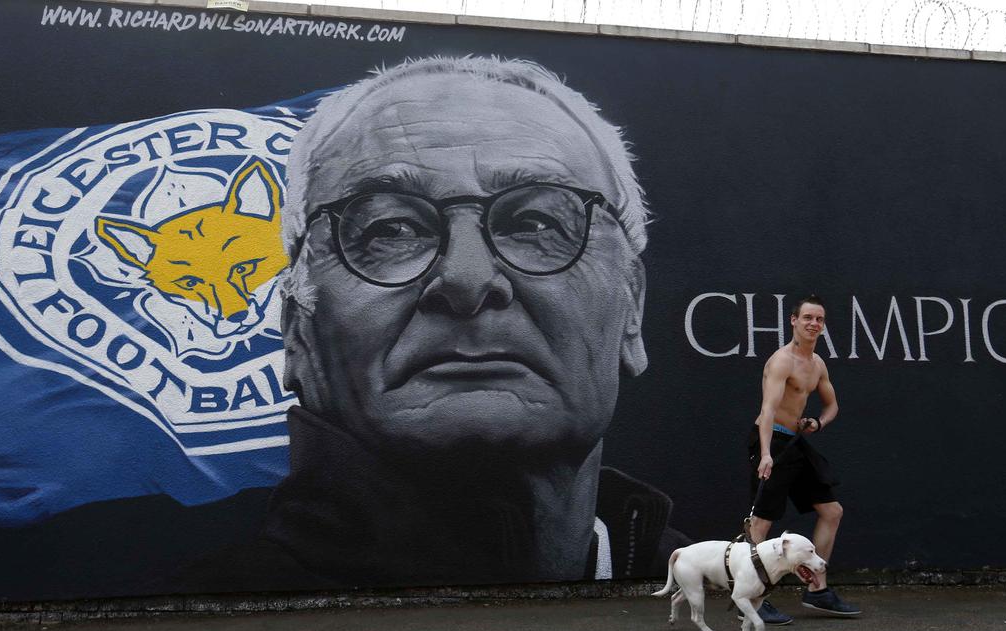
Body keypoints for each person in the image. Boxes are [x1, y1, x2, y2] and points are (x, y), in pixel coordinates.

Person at [255, 55, 685, 587]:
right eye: (390, 230)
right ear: (297, 331)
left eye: (535, 222)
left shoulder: (711, 597)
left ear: (631, 312)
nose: (467, 279)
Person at [747, 295, 860, 624]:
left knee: (832, 511)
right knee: (761, 522)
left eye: (819, 320)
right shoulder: (782, 361)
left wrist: (818, 422)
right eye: (808, 318)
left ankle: (817, 590)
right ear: (793, 321)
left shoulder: (817, 365)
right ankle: (754, 598)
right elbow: (768, 410)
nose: (814, 324)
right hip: (772, 442)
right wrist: (766, 453)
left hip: (795, 442)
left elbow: (832, 406)